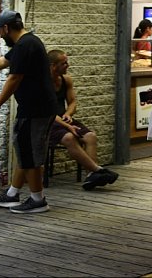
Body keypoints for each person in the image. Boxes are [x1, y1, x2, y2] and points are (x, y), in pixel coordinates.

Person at [0, 10, 58, 214]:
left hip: (36, 109)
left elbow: (14, 78)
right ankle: (12, 194)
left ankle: (38, 200)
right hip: (36, 108)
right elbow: (5, 61)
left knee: (30, 153)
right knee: (24, 149)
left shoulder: (26, 45)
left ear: (6, 28)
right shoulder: (25, 43)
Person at [45, 50, 118, 190]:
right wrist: (66, 125)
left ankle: (91, 175)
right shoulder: (42, 83)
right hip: (47, 121)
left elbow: (72, 102)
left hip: (63, 119)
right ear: (53, 66)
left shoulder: (66, 80)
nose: (68, 65)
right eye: (64, 63)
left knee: (90, 136)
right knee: (68, 137)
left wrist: (68, 113)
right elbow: (45, 111)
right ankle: (97, 171)